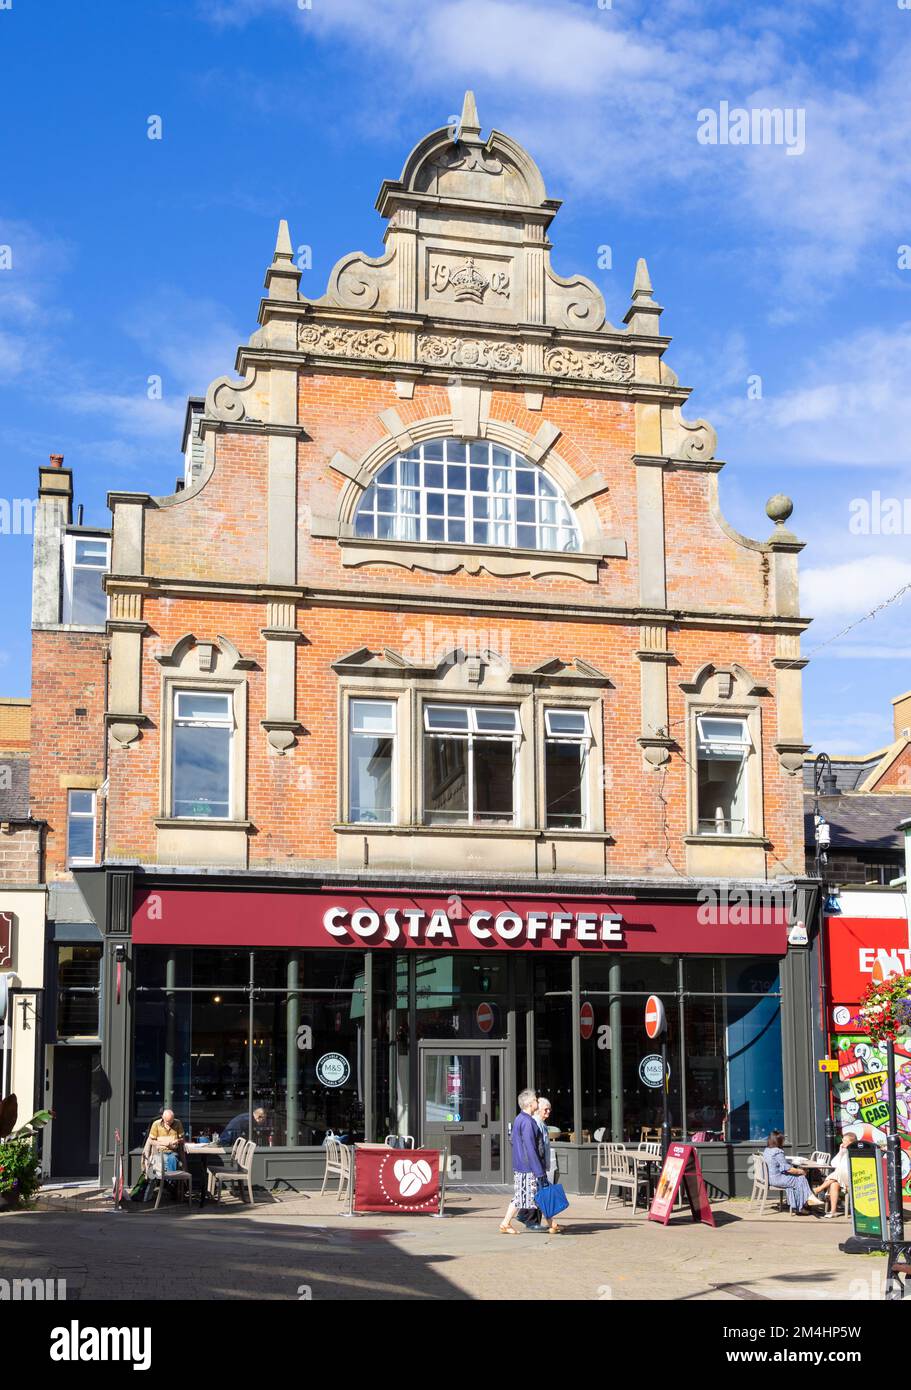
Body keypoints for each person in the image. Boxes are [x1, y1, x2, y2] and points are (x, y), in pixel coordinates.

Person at [500, 1089, 548, 1235]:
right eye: (535, 1100)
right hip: (527, 1167)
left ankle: (551, 1223)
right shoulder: (527, 1122)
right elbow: (530, 1147)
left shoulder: (520, 1119)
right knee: (522, 1197)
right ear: (529, 1104)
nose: (537, 1102)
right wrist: (538, 1170)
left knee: (523, 1196)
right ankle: (505, 1223)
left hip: (522, 1165)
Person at [762, 1130, 824, 1215]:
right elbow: (788, 1169)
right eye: (783, 1140)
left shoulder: (767, 1150)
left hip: (769, 1178)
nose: (784, 1142)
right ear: (778, 1141)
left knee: (797, 1180)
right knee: (801, 1178)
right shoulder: (778, 1152)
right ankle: (806, 1201)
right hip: (777, 1179)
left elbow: (781, 1166)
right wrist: (801, 1171)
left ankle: (801, 1205)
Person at [533, 1095, 562, 1234]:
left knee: (540, 1194)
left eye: (549, 1109)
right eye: (546, 1109)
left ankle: (544, 1222)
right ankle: (551, 1222)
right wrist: (539, 1165)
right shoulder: (536, 1123)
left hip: (540, 1165)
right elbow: (537, 1147)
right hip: (537, 1166)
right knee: (543, 1195)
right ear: (538, 1109)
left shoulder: (542, 1124)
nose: (548, 1112)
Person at [813, 1133, 857, 1218]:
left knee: (838, 1172)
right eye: (843, 1139)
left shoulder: (855, 1151)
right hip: (841, 1178)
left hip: (852, 1179)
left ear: (851, 1142)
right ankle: (833, 1211)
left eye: (845, 1140)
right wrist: (840, 1152)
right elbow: (833, 1163)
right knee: (834, 1183)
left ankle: (819, 1189)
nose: (842, 1141)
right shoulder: (844, 1151)